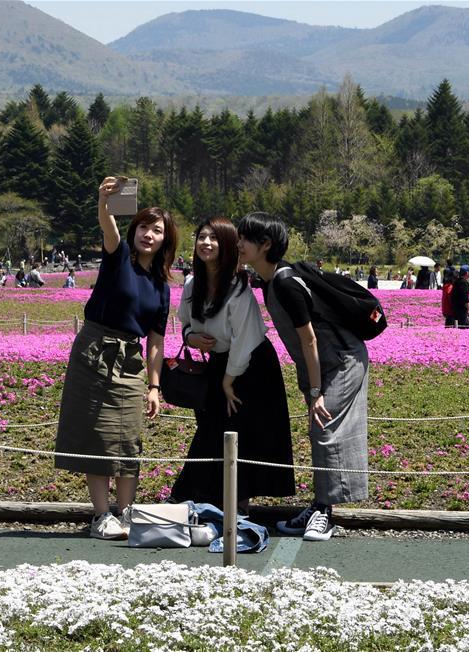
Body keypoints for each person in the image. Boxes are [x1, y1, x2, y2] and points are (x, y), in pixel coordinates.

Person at [55, 177, 177, 540]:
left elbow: (156, 341)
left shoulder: (162, 287)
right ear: (133, 229)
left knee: (127, 437)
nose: (148, 235)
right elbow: (108, 226)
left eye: (157, 230)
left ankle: (126, 513)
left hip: (130, 361)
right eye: (143, 227)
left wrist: (154, 386)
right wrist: (103, 201)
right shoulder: (118, 254)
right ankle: (101, 515)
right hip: (94, 351)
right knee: (98, 435)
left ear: (166, 240)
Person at [237, 212, 369, 542]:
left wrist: (315, 391)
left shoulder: (284, 282)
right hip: (324, 364)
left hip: (342, 360)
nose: (238, 243)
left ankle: (325, 512)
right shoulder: (269, 280)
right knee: (319, 429)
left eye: (245, 238)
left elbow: (308, 339)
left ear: (265, 245)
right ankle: (320, 505)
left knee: (324, 428)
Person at [170, 218, 295, 510]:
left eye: (214, 238)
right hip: (220, 364)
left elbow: (244, 338)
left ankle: (234, 504)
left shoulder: (238, 288)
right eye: (202, 237)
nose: (206, 243)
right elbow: (184, 322)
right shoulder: (192, 284)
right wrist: (190, 338)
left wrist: (229, 381)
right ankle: (202, 498)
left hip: (252, 367)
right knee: (212, 429)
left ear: (227, 244)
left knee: (244, 431)